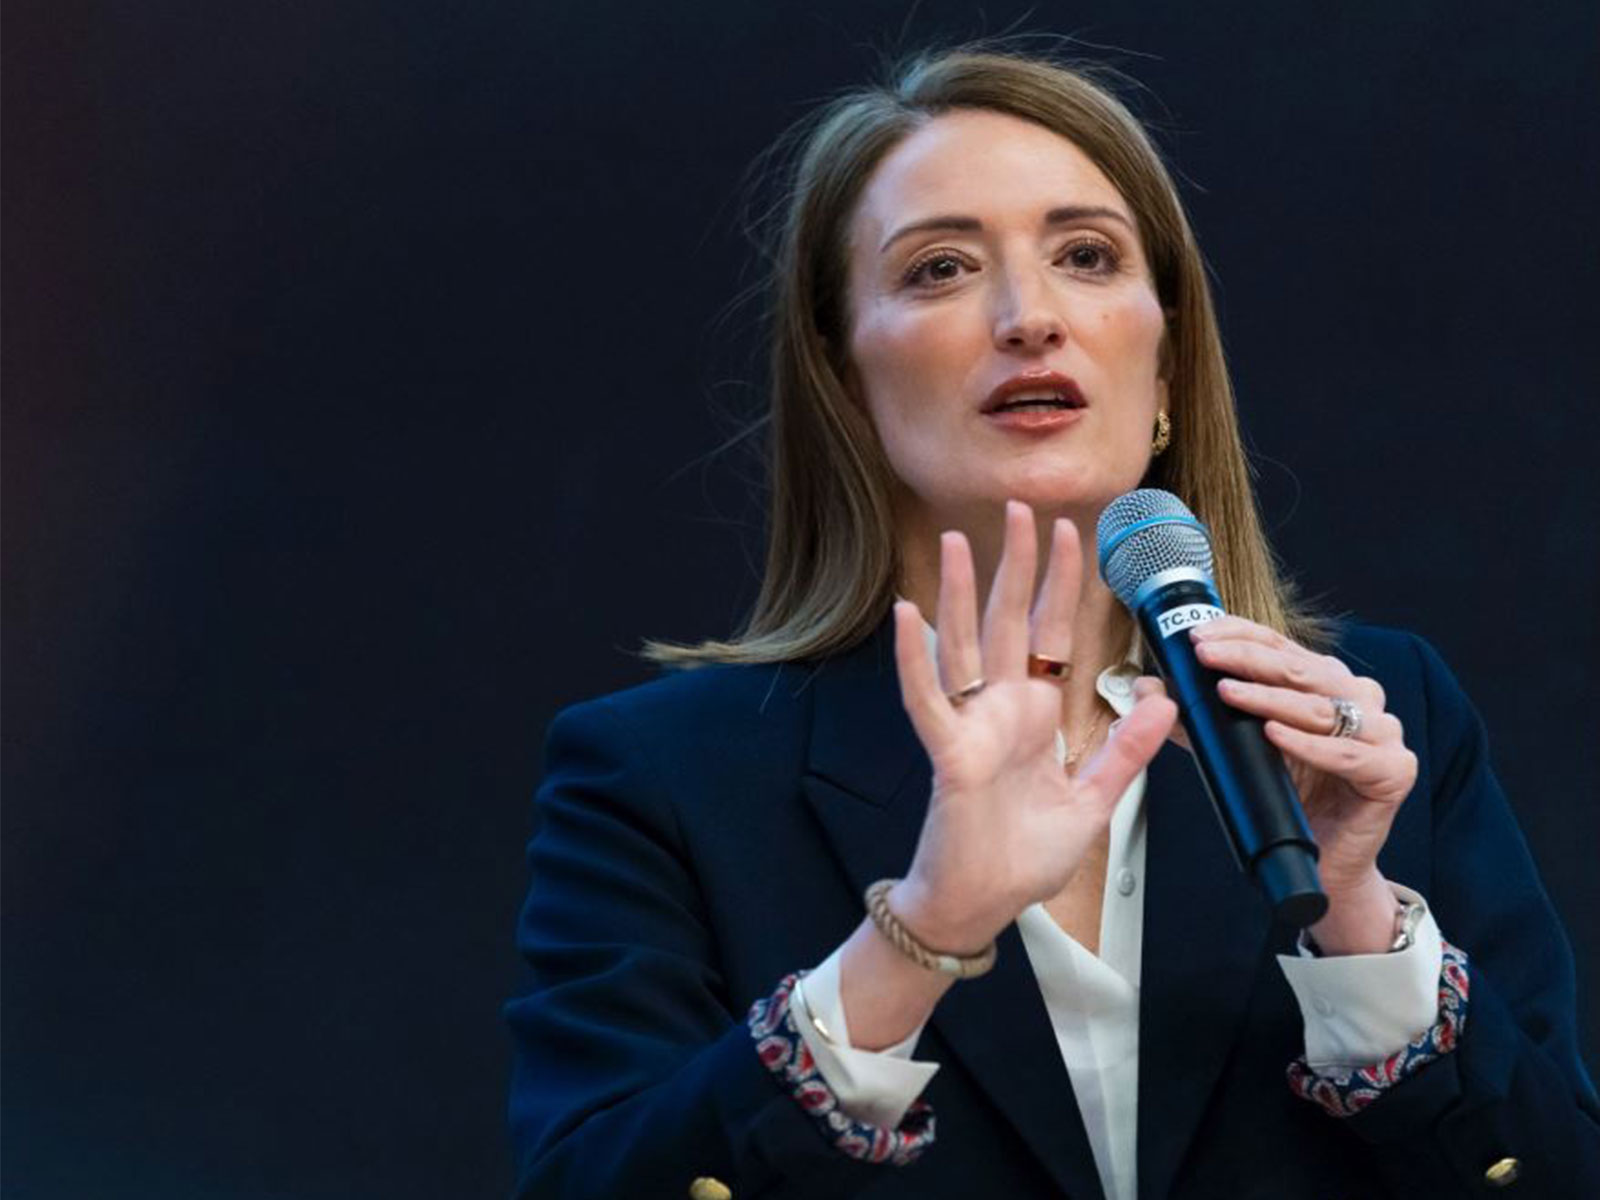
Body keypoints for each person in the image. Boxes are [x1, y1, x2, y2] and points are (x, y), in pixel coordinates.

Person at [505, 45, 1599, 1198]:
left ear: (1168, 361)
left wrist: (1354, 917)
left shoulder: (1375, 721)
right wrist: (916, 939)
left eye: (1085, 256)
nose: (1029, 318)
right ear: (843, 378)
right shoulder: (663, 775)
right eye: (938, 269)